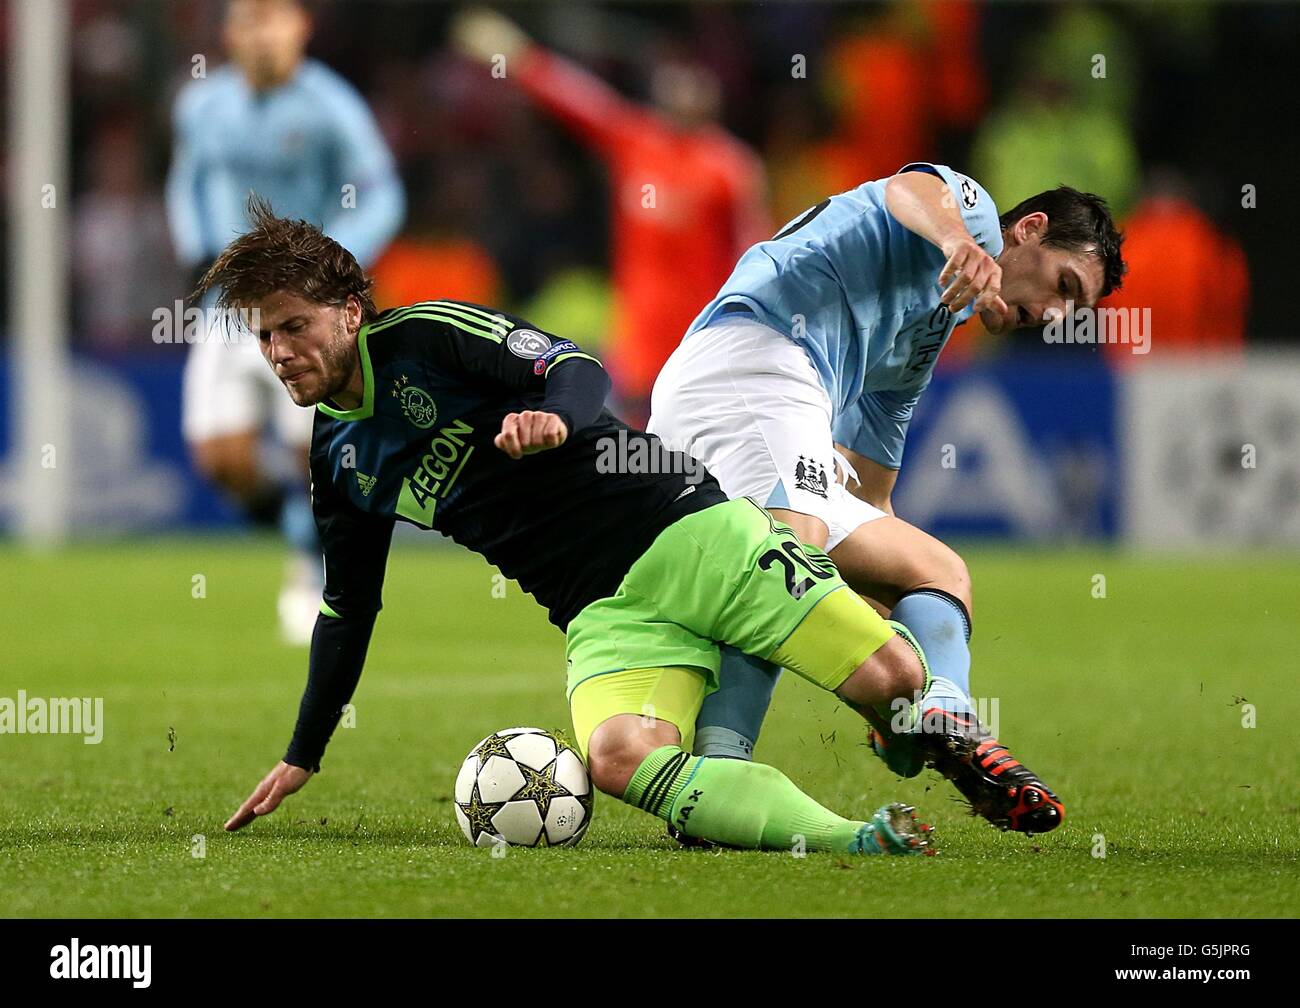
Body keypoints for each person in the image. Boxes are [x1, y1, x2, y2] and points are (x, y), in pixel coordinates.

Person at [205, 199, 960, 855]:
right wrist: (305, 752)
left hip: (682, 529)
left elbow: (576, 368)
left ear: (347, 310)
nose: (279, 353)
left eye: (293, 327)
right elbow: (349, 608)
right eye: (265, 337)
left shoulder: (425, 337)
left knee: (894, 687)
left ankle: (910, 720)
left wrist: (554, 418)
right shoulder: (337, 459)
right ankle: (857, 838)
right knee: (618, 759)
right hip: (599, 610)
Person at [650, 163, 1126, 834]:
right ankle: (723, 770)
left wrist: (892, 674)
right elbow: (909, 186)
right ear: (1030, 230)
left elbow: (872, 500)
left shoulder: (920, 334)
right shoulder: (972, 220)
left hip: (752, 395)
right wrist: (959, 238)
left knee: (932, 570)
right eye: (1062, 286)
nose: (1052, 315)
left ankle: (939, 707)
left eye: (1071, 311)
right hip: (752, 361)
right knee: (791, 554)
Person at [165, 0, 405, 643]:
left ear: (301, 28)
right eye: (250, 21)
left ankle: (309, 567)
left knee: (312, 456)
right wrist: (194, 245)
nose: (263, 34)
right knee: (222, 461)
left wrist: (328, 264)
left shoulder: (333, 107)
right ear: (230, 35)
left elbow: (381, 192)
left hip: (303, 310)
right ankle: (306, 530)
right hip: (229, 309)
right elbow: (187, 181)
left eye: (275, 19)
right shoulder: (202, 107)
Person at [450, 8, 769, 425]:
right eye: (677, 75)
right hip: (636, 345)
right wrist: (516, 55)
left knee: (694, 457)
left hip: (698, 340)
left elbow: (754, 258)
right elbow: (580, 102)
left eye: (696, 78)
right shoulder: (635, 141)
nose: (684, 88)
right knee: (636, 454)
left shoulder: (730, 169)